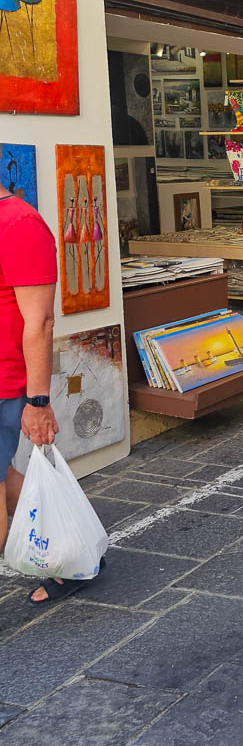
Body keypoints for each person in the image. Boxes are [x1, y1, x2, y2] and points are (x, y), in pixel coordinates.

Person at [0, 182, 100, 605]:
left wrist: (38, 403)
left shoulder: (20, 224)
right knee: (7, 477)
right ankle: (71, 551)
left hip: (4, 385)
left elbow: (39, 323)